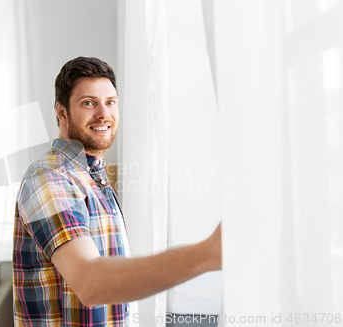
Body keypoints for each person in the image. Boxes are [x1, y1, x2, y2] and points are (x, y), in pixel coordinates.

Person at [12, 56, 222, 326]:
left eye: (110, 102)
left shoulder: (92, 175)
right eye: (89, 103)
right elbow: (90, 282)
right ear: (62, 113)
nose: (103, 114)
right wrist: (208, 253)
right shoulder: (50, 176)